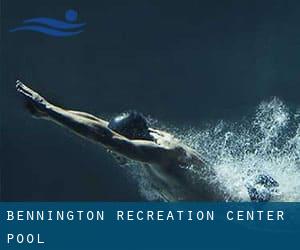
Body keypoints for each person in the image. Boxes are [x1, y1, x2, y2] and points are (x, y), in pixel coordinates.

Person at [15, 80, 278, 201]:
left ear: (132, 140)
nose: (110, 151)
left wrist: (48, 109)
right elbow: (99, 125)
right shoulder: (146, 139)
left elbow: (105, 137)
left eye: (115, 146)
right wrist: (51, 113)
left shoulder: (162, 154)